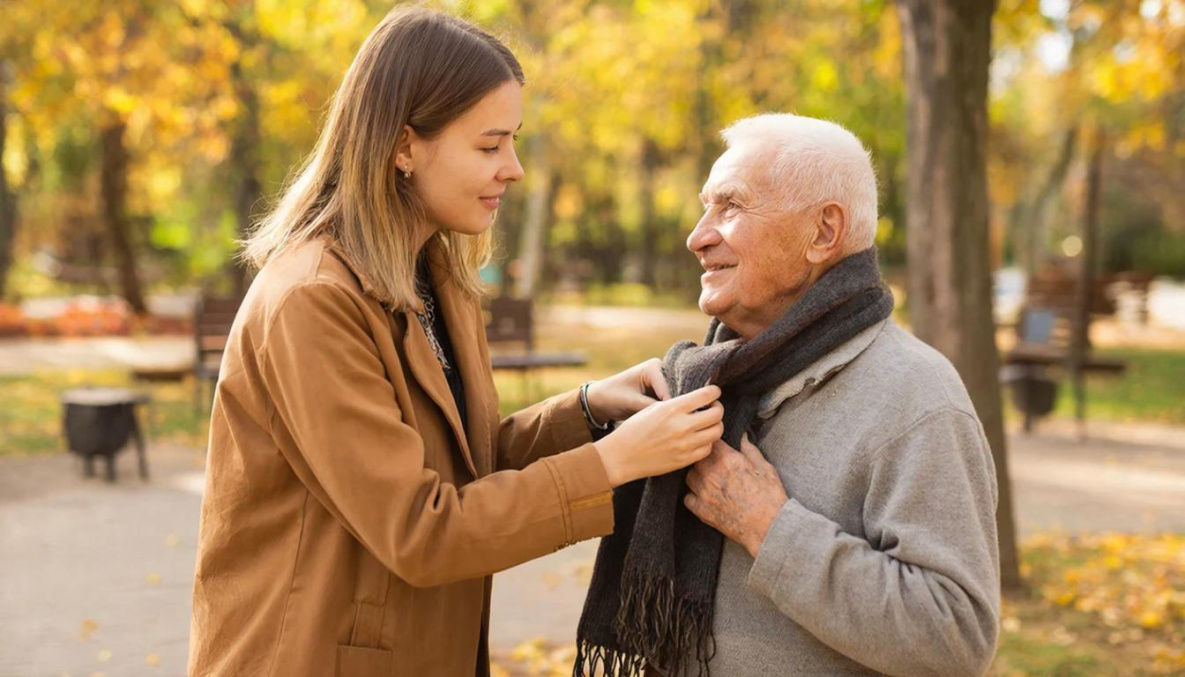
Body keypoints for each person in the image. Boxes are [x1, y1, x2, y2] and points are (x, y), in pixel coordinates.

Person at [187, 8, 724, 676]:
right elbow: (421, 527)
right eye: (489, 145)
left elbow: (460, 463)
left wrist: (586, 411)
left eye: (513, 141)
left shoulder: (436, 277)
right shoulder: (312, 301)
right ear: (404, 146)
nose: (515, 169)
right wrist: (611, 463)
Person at [575, 114, 1000, 677]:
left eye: (730, 207)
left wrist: (768, 527)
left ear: (823, 233)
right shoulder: (709, 376)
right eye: (706, 207)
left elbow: (956, 636)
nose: (697, 236)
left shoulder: (916, 397)